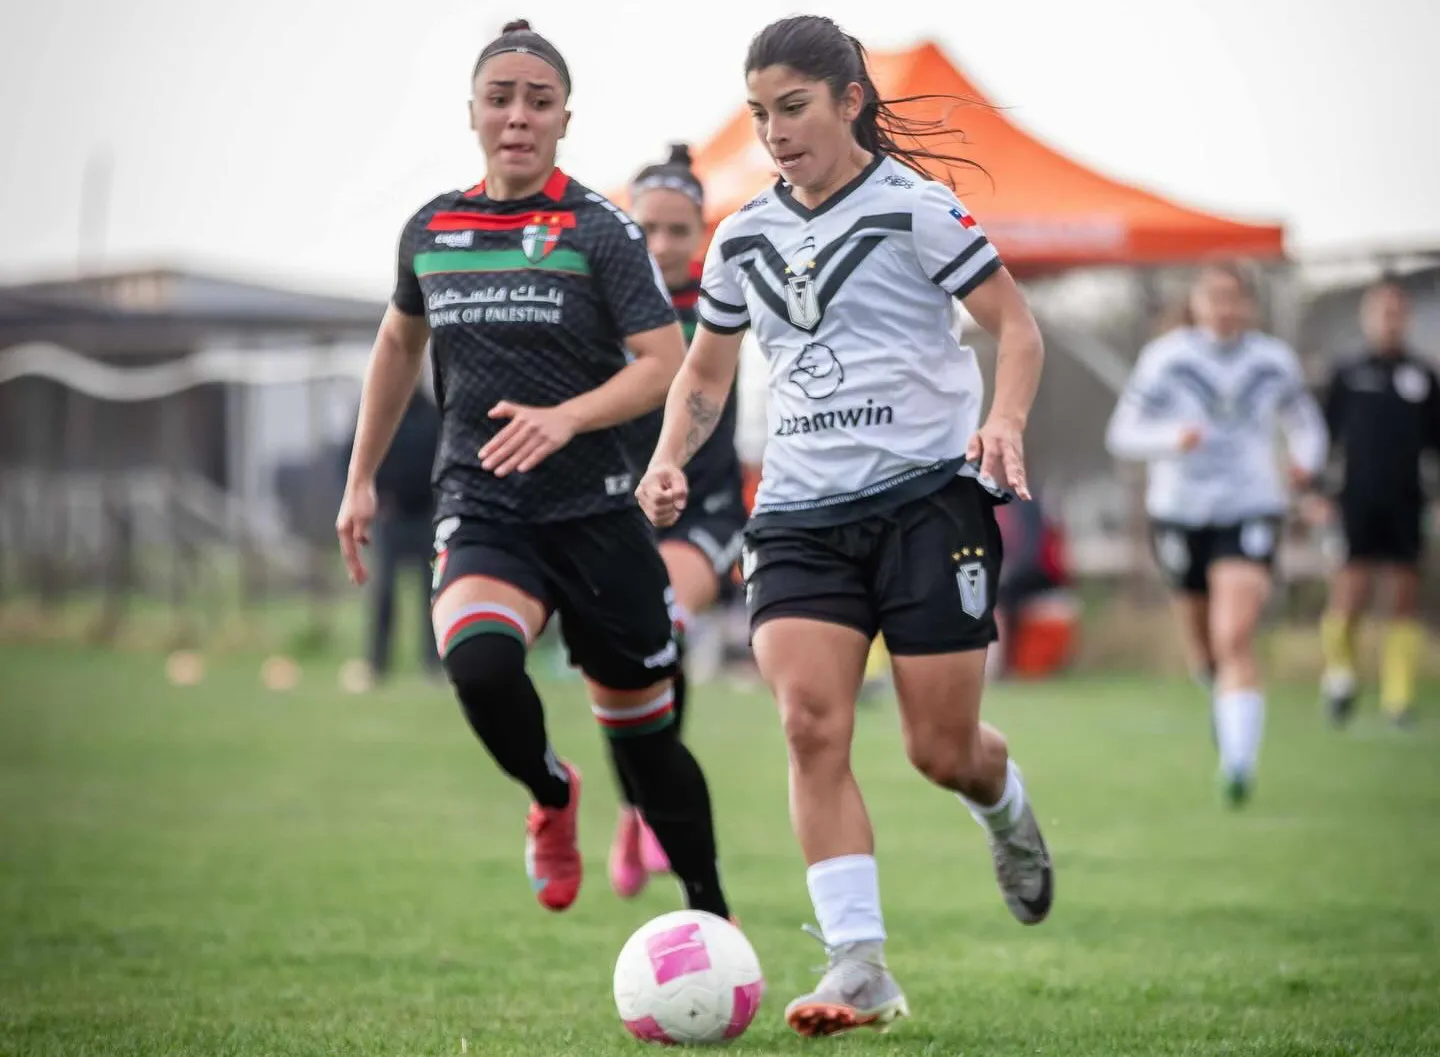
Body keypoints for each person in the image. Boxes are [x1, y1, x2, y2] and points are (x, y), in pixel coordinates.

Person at [636, 14, 1053, 1037]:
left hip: (928, 501)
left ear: (849, 101)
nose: (774, 132)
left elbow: (1017, 327)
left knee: (939, 749)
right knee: (809, 722)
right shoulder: (741, 235)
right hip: (798, 515)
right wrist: (667, 457)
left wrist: (1003, 422)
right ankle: (858, 961)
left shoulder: (918, 208)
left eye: (792, 108)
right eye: (758, 114)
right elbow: (706, 371)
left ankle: (1003, 805)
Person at [334, 19, 732, 922]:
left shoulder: (601, 230)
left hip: (598, 515)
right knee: (477, 662)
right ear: (473, 112)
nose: (518, 115)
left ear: (563, 120)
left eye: (538, 102)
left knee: (647, 742)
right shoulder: (432, 229)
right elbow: (397, 344)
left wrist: (567, 418)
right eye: (501, 99)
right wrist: (360, 477)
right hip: (485, 508)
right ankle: (552, 791)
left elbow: (663, 365)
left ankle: (711, 913)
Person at [1106, 261, 1328, 806]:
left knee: (1234, 636)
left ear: (1249, 304)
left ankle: (1238, 765)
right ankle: (1225, 704)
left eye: (1235, 297)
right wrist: (1171, 438)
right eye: (1215, 297)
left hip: (1250, 507)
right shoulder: (1167, 359)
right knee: (1204, 653)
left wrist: (1305, 463)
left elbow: (1306, 424)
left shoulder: (1272, 360)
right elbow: (1123, 434)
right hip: (1180, 511)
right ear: (1197, 303)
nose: (1225, 308)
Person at [606, 144, 748, 900]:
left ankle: (652, 804)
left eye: (677, 230)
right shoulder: (602, 302)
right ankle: (635, 805)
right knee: (625, 657)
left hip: (707, 505)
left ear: (702, 232)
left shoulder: (726, 296)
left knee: (659, 619)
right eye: (647, 229)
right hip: (617, 504)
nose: (661, 245)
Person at [1317, 278, 1439, 728]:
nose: (1390, 321)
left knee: (1403, 598)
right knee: (1350, 593)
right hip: (1355, 499)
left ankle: (1398, 698)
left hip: (1407, 501)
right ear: (1366, 318)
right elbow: (1321, 440)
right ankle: (1340, 677)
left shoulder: (1423, 376)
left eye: (1397, 312)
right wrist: (1317, 494)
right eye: (1382, 312)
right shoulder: (1347, 373)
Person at [359, 380, 443, 685]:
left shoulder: (433, 415)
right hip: (389, 517)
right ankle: (376, 664)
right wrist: (374, 495)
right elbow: (354, 456)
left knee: (431, 593)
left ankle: (434, 663)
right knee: (383, 593)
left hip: (426, 517)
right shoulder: (378, 412)